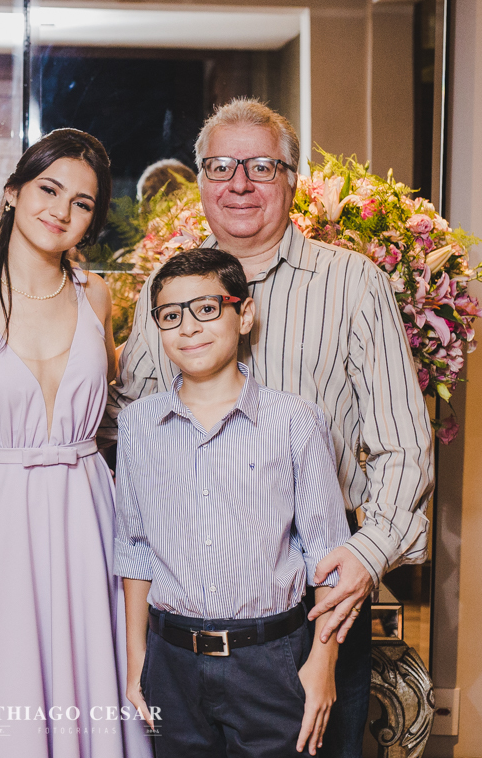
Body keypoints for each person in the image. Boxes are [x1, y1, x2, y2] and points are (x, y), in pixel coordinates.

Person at [107, 98, 435, 757]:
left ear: (291, 179)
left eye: (260, 167)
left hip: (317, 591)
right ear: (200, 179)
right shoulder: (164, 293)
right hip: (190, 606)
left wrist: (365, 557)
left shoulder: (352, 283)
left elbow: (403, 442)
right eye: (221, 167)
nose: (239, 184)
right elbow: (132, 415)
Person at [0, 128, 149, 758]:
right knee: (3, 683)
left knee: (89, 670)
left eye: (82, 202)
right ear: (13, 192)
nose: (61, 210)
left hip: (88, 514)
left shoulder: (97, 295)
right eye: (49, 189)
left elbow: (115, 415)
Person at [115, 247, 351, 757]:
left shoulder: (295, 420)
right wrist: (137, 661)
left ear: (244, 315)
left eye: (206, 308)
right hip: (171, 659)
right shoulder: (137, 425)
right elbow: (134, 551)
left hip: (271, 659)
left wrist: (322, 665)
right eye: (170, 315)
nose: (188, 327)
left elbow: (328, 557)